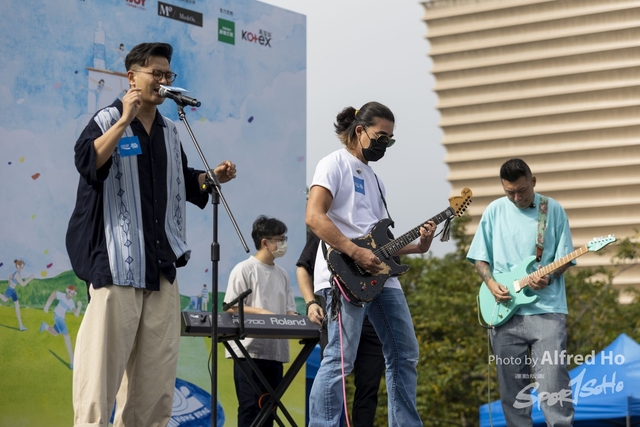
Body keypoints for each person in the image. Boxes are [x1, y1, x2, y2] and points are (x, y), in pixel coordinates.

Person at [66, 42, 237, 427]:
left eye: (167, 75)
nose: (163, 81)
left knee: (155, 384)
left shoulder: (171, 131)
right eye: (155, 74)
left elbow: (185, 183)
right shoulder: (107, 119)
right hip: (116, 267)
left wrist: (212, 177)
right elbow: (88, 161)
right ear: (132, 77)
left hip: (162, 270)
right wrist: (123, 122)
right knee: (99, 378)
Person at [306, 102, 436, 426]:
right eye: (381, 137)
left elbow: (381, 244)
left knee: (405, 353)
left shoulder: (376, 180)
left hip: (382, 277)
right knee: (340, 359)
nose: (384, 145)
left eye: (390, 140)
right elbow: (314, 217)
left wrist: (418, 247)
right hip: (344, 273)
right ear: (360, 130)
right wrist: (354, 251)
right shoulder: (333, 163)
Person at [467, 158, 575, 427]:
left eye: (522, 190)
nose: (517, 197)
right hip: (503, 313)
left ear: (533, 182)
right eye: (510, 192)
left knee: (554, 384)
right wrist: (491, 284)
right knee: (512, 392)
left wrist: (549, 276)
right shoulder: (494, 211)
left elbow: (564, 258)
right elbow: (480, 258)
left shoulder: (552, 209)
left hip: (547, 311)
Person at [297, 230, 385, 427]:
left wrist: (418, 246)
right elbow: (303, 267)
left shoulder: (375, 228)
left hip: (371, 319)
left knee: (369, 387)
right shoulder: (326, 227)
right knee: (335, 376)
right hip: (339, 314)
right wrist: (310, 302)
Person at [223, 215, 297, 427]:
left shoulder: (282, 274)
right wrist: (262, 312)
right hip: (249, 351)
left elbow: (290, 310)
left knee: (270, 410)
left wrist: (299, 320)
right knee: (250, 408)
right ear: (265, 242)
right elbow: (230, 306)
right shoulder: (244, 269)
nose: (283, 243)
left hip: (275, 352)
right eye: (280, 239)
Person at [40, 285, 83, 369]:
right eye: (70, 291)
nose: (71, 294)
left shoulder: (71, 302)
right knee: (67, 338)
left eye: (73, 293)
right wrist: (47, 306)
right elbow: (53, 294)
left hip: (60, 318)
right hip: (58, 317)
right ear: (67, 290)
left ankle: (45, 326)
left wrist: (79, 306)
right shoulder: (62, 296)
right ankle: (72, 362)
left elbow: (76, 314)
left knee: (55, 333)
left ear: (74, 294)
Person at [0, 259, 34, 331]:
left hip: (13, 290)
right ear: (17, 266)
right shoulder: (17, 275)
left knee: (17, 306)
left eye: (22, 267)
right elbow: (23, 284)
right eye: (20, 267)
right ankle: (21, 326)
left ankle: (21, 326)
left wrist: (10, 281)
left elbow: (10, 277)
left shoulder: (16, 273)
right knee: (5, 299)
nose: (21, 268)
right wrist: (30, 278)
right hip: (10, 289)